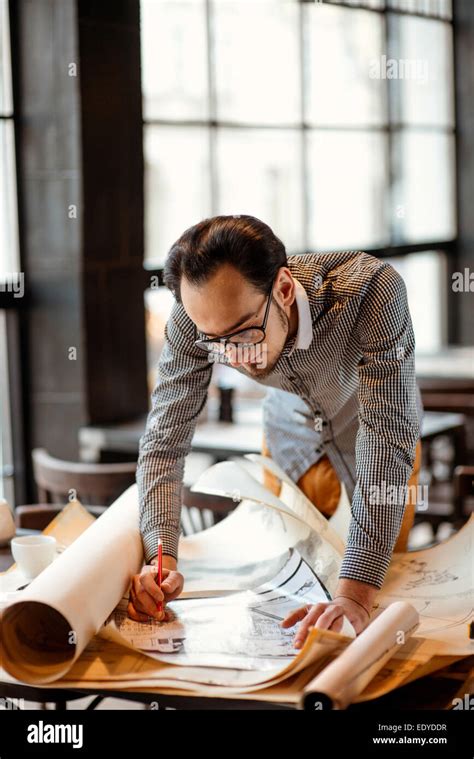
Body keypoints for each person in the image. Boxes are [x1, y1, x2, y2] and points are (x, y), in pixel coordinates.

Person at [128, 215, 422, 646]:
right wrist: (162, 558)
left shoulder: (372, 291)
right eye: (217, 343)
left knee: (375, 593)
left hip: (378, 452)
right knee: (292, 585)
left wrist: (355, 598)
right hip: (288, 447)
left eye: (245, 333)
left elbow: (385, 435)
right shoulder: (198, 315)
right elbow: (164, 444)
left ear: (284, 289)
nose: (237, 358)